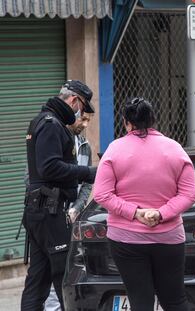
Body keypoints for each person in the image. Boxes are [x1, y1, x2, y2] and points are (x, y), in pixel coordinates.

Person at [93, 97, 195, 311]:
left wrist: (135, 213)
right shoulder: (175, 149)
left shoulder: (114, 150)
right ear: (153, 120)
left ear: (126, 122)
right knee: (175, 300)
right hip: (168, 239)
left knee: (140, 301)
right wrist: (161, 214)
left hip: (126, 239)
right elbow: (190, 194)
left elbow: (101, 194)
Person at [21, 80, 97, 311]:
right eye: (82, 108)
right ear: (74, 100)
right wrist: (90, 173)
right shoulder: (51, 124)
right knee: (65, 278)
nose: (80, 114)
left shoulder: (46, 122)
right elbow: (48, 167)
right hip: (49, 212)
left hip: (41, 211)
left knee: (38, 279)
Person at [43, 111, 94, 311]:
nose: (85, 124)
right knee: (50, 271)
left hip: (71, 218)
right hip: (50, 214)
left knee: (67, 270)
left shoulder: (84, 146)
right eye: (83, 119)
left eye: (89, 120)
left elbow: (87, 185)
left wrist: (76, 208)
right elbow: (33, 178)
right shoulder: (50, 140)